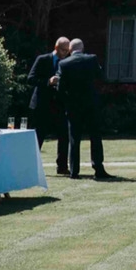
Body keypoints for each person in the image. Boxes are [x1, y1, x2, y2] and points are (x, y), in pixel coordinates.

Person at [52, 38, 108, 180]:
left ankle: (74, 171)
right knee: (95, 136)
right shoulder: (92, 59)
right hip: (91, 104)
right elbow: (101, 77)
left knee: (74, 139)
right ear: (82, 48)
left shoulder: (64, 63)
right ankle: (98, 168)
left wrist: (66, 99)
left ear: (70, 50)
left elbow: (60, 88)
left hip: (73, 105)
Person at [26, 37, 70, 176]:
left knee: (64, 136)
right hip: (42, 105)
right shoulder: (43, 59)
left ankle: (62, 167)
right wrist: (48, 82)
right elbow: (30, 79)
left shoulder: (67, 62)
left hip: (59, 105)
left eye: (67, 51)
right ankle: (32, 167)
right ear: (56, 48)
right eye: (63, 50)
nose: (65, 53)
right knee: (38, 136)